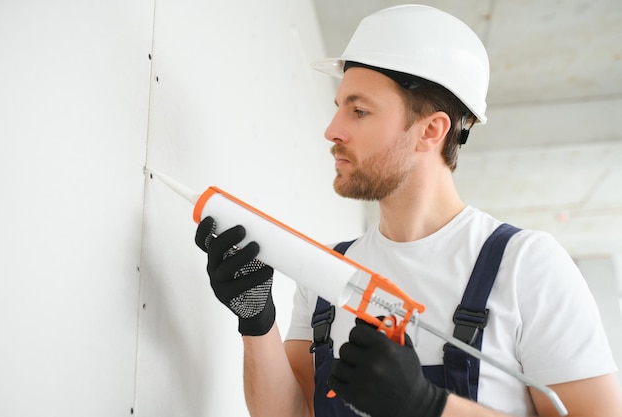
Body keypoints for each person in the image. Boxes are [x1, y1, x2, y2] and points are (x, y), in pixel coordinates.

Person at [195, 4, 622, 417]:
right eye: (339, 106)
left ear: (431, 130)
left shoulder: (526, 266)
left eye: (359, 110)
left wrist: (428, 407)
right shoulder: (325, 271)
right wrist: (257, 322)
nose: (332, 130)